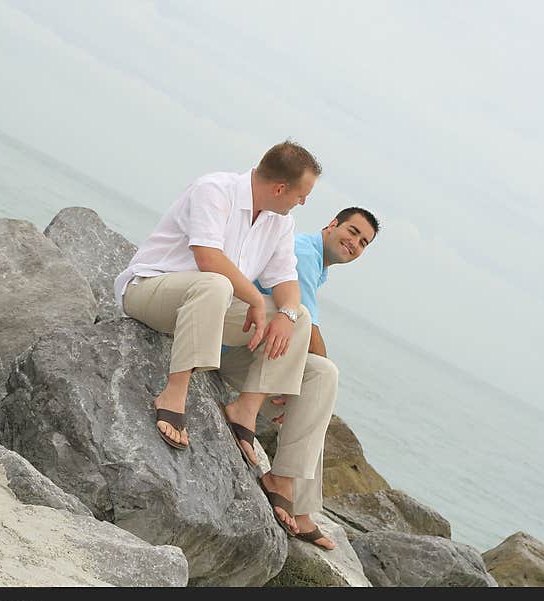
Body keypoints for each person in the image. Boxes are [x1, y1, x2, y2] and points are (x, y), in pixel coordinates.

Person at [113, 140, 321, 535]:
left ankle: (246, 411)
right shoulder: (215, 190)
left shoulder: (281, 222)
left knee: (299, 317)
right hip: (151, 291)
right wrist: (255, 302)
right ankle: (175, 393)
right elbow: (208, 257)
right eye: (301, 195)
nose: (302, 203)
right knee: (214, 284)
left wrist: (287, 314)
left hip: (211, 308)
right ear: (280, 188)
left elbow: (287, 283)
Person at [237, 206, 380, 549]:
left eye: (363, 243)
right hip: (242, 348)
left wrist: (296, 384)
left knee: (322, 381)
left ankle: (298, 505)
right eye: (352, 231)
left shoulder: (318, 265)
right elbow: (308, 331)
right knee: (319, 377)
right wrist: (294, 384)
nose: (355, 243)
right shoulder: (303, 251)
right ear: (332, 224)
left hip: (264, 353)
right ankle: (284, 488)